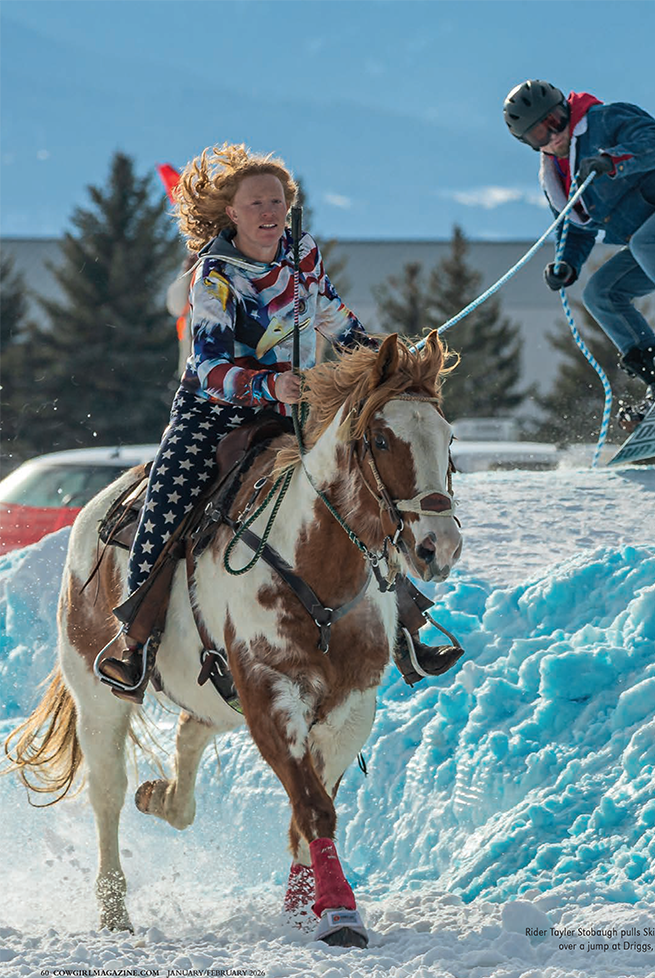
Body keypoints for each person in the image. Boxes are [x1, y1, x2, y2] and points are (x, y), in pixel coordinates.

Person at [99, 143, 461, 701]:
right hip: (213, 412)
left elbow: (333, 317)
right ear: (232, 213)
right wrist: (270, 385)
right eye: (257, 203)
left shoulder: (302, 253)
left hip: (291, 410)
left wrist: (387, 359)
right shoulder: (215, 274)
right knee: (166, 501)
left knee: (361, 491)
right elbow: (208, 365)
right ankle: (136, 641)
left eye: (278, 202)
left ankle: (407, 626)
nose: (270, 212)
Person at [502, 80, 655, 426]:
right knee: (601, 294)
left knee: (647, 242)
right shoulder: (556, 179)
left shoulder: (605, 120)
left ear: (566, 109)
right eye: (540, 134)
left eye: (555, 120)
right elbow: (575, 229)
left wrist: (614, 160)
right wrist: (566, 263)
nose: (554, 135)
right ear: (528, 143)